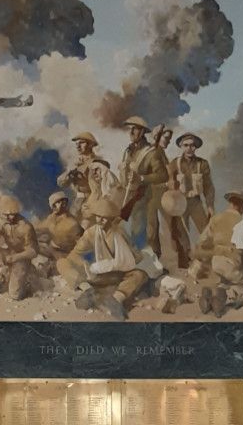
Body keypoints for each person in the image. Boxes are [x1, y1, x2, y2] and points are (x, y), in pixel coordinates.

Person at [60, 196, 149, 320]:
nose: (100, 220)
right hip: (97, 276)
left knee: (140, 275)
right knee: (62, 262)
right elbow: (74, 254)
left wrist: (116, 263)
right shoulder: (91, 233)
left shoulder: (119, 233)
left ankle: (116, 300)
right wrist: (86, 264)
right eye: (98, 216)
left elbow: (136, 257)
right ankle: (88, 291)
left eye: (104, 217)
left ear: (111, 218)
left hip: (117, 275)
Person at [193, 191, 243, 317]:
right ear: (242, 207)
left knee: (224, 281)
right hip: (232, 265)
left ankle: (212, 293)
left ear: (230, 203)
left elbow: (200, 242)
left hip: (215, 263)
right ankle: (227, 295)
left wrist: (215, 248)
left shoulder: (215, 219)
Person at [118, 116, 169, 256]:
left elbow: (163, 175)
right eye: (130, 129)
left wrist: (141, 178)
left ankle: (154, 260)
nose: (131, 132)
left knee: (149, 231)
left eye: (134, 129)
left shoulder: (151, 153)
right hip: (130, 195)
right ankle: (138, 258)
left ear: (142, 132)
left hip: (147, 196)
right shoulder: (128, 151)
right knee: (130, 230)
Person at [167, 132, 215, 268]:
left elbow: (208, 187)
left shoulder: (202, 164)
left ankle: (209, 261)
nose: (189, 148)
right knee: (180, 233)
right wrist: (172, 185)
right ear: (181, 146)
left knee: (206, 231)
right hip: (179, 203)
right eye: (186, 145)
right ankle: (184, 264)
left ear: (196, 147)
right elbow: (169, 184)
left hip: (195, 202)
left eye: (192, 145)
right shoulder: (174, 164)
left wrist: (210, 205)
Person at [0, 196, 39, 301]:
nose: (9, 217)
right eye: (5, 214)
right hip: (9, 252)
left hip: (22, 256)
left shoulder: (26, 227)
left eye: (12, 214)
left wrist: (14, 258)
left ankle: (29, 275)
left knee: (15, 294)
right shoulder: (2, 221)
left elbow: (33, 251)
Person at [56, 132, 98, 224]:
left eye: (82, 143)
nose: (78, 146)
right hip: (77, 202)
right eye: (77, 144)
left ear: (90, 145)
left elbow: (100, 188)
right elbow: (61, 183)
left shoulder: (97, 163)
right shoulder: (75, 163)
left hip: (92, 202)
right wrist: (69, 172)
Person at [35, 191, 82, 270]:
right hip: (53, 249)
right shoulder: (51, 219)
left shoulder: (71, 223)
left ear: (65, 203)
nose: (55, 206)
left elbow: (80, 245)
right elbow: (39, 228)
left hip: (66, 254)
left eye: (61, 202)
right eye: (54, 204)